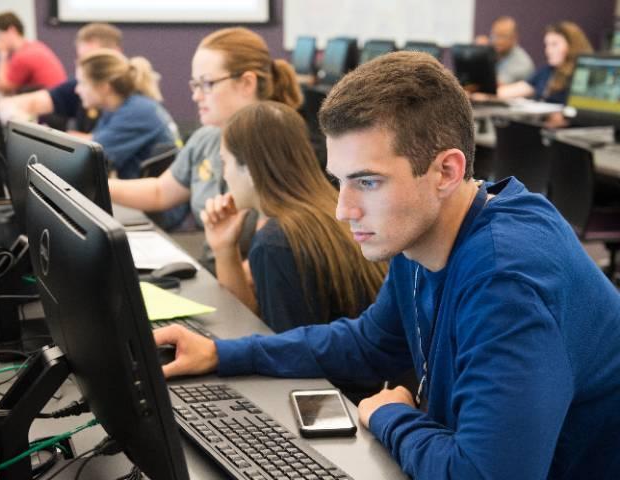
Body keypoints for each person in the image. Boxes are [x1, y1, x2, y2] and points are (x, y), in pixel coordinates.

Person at [154, 51, 620, 479]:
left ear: (446, 171)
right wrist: (223, 354)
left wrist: (390, 416)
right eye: (340, 181)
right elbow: (368, 344)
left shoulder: (506, 279)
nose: (343, 209)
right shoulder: (425, 233)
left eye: (368, 182)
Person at [201, 101, 387, 333]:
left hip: (336, 369)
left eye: (224, 162)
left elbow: (281, 350)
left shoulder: (276, 242)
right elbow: (255, 324)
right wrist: (224, 249)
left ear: (248, 169)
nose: (224, 175)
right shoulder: (329, 209)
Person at [108, 27, 303, 232]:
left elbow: (270, 254)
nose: (196, 96)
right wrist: (94, 186)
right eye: (195, 85)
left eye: (207, 83)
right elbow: (160, 192)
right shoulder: (207, 137)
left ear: (247, 83)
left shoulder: (279, 150)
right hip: (215, 260)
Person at [73, 49, 180, 180]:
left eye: (82, 83)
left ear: (104, 87)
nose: (77, 90)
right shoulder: (119, 109)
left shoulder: (138, 112)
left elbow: (87, 158)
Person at [0, 22, 122, 131]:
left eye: (93, 59)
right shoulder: (77, 86)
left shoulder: (128, 99)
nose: (85, 66)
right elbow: (26, 102)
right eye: (82, 59)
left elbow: (100, 143)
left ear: (116, 54)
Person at [498, 21, 593, 104]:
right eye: (547, 45)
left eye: (554, 44)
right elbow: (509, 91)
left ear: (572, 45)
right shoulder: (546, 71)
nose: (548, 51)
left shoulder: (582, 74)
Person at [0, 11, 67, 94]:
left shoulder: (23, 56)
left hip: (51, 103)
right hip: (53, 98)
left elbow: (5, 88)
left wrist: (2, 53)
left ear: (11, 30)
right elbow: (9, 84)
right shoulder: (33, 46)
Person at [487, 16, 534, 84]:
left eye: (502, 36)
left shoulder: (521, 63)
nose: (496, 41)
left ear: (514, 38)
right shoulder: (496, 54)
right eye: (494, 35)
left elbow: (496, 86)